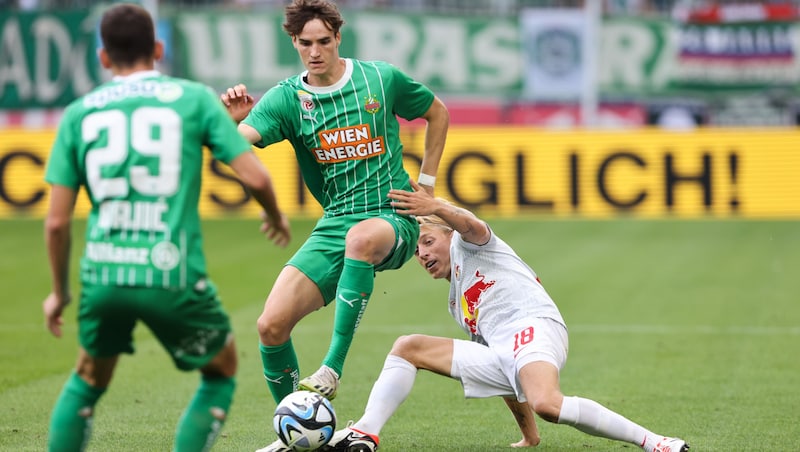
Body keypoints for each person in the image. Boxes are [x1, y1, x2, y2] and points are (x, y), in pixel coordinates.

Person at [42, 4, 291, 452]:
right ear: (158, 49)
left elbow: (57, 222)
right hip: (169, 272)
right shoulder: (192, 98)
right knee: (220, 371)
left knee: (88, 379)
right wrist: (274, 215)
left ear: (103, 58)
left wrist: (60, 292)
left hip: (104, 274)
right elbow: (256, 176)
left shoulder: (79, 114)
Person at [219, 1, 448, 448]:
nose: (315, 51)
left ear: (339, 38)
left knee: (361, 238)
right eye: (306, 43)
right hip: (335, 223)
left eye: (324, 41)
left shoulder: (379, 78)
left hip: (392, 215)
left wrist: (427, 187)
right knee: (270, 325)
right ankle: (296, 433)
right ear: (294, 43)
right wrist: (228, 124)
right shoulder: (288, 98)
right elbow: (236, 148)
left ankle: (332, 368)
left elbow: (437, 111)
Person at [322, 180, 689, 452]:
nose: (423, 254)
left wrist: (436, 205)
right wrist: (530, 435)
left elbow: (470, 224)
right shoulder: (458, 304)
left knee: (548, 403)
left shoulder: (472, 244)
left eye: (429, 242)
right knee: (408, 347)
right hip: (505, 345)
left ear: (448, 236)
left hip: (533, 324)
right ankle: (366, 432)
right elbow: (506, 374)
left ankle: (655, 442)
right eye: (418, 251)